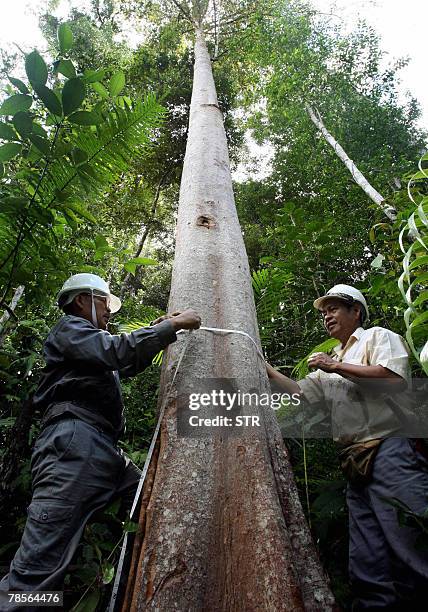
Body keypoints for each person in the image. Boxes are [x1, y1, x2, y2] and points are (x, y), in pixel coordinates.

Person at [0, 273, 201, 606]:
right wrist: (172, 326)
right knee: (37, 572)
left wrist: (160, 328)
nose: (109, 311)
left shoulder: (89, 345)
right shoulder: (71, 329)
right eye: (104, 302)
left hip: (102, 449)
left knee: (148, 498)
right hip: (73, 443)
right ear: (82, 300)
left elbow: (124, 361)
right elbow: (117, 352)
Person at [266, 284, 428, 611]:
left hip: (389, 451)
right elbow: (299, 392)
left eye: (334, 308)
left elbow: (392, 378)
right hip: (354, 462)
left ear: (356, 311)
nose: (327, 316)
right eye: (324, 312)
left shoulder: (376, 338)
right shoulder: (335, 359)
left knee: (411, 547)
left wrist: (334, 367)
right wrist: (264, 367)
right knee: (368, 560)